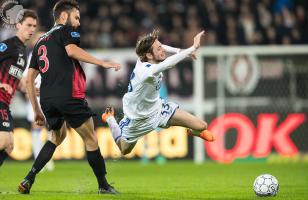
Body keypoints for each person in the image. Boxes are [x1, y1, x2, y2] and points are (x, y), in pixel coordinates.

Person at [18, 0, 120, 195]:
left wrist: (37, 110)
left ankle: (29, 178)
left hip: (47, 100)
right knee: (91, 139)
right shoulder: (65, 30)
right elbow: (72, 51)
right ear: (64, 17)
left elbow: (30, 79)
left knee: (56, 137)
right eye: (76, 17)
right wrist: (102, 63)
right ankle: (103, 185)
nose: (78, 23)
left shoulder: (39, 42)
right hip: (69, 96)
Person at [102, 30, 215, 156]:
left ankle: (192, 131)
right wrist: (192, 48)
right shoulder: (145, 72)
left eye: (161, 47)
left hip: (158, 110)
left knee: (202, 126)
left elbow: (163, 47)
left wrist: (178, 51)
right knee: (124, 150)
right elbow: (168, 64)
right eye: (159, 49)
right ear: (149, 55)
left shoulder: (147, 57)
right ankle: (109, 118)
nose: (163, 50)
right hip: (137, 118)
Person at [0, 10, 38, 167]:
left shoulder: (23, 51)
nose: (32, 29)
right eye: (28, 25)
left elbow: (16, 79)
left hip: (5, 104)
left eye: (34, 26)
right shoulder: (8, 45)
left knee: (9, 147)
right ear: (18, 25)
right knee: (3, 142)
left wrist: (30, 89)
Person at [24, 31, 54, 172]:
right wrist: (28, 91)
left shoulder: (53, 55)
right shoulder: (31, 56)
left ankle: (47, 159)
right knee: (37, 127)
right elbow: (26, 79)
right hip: (36, 98)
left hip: (50, 96)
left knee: (52, 127)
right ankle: (38, 160)